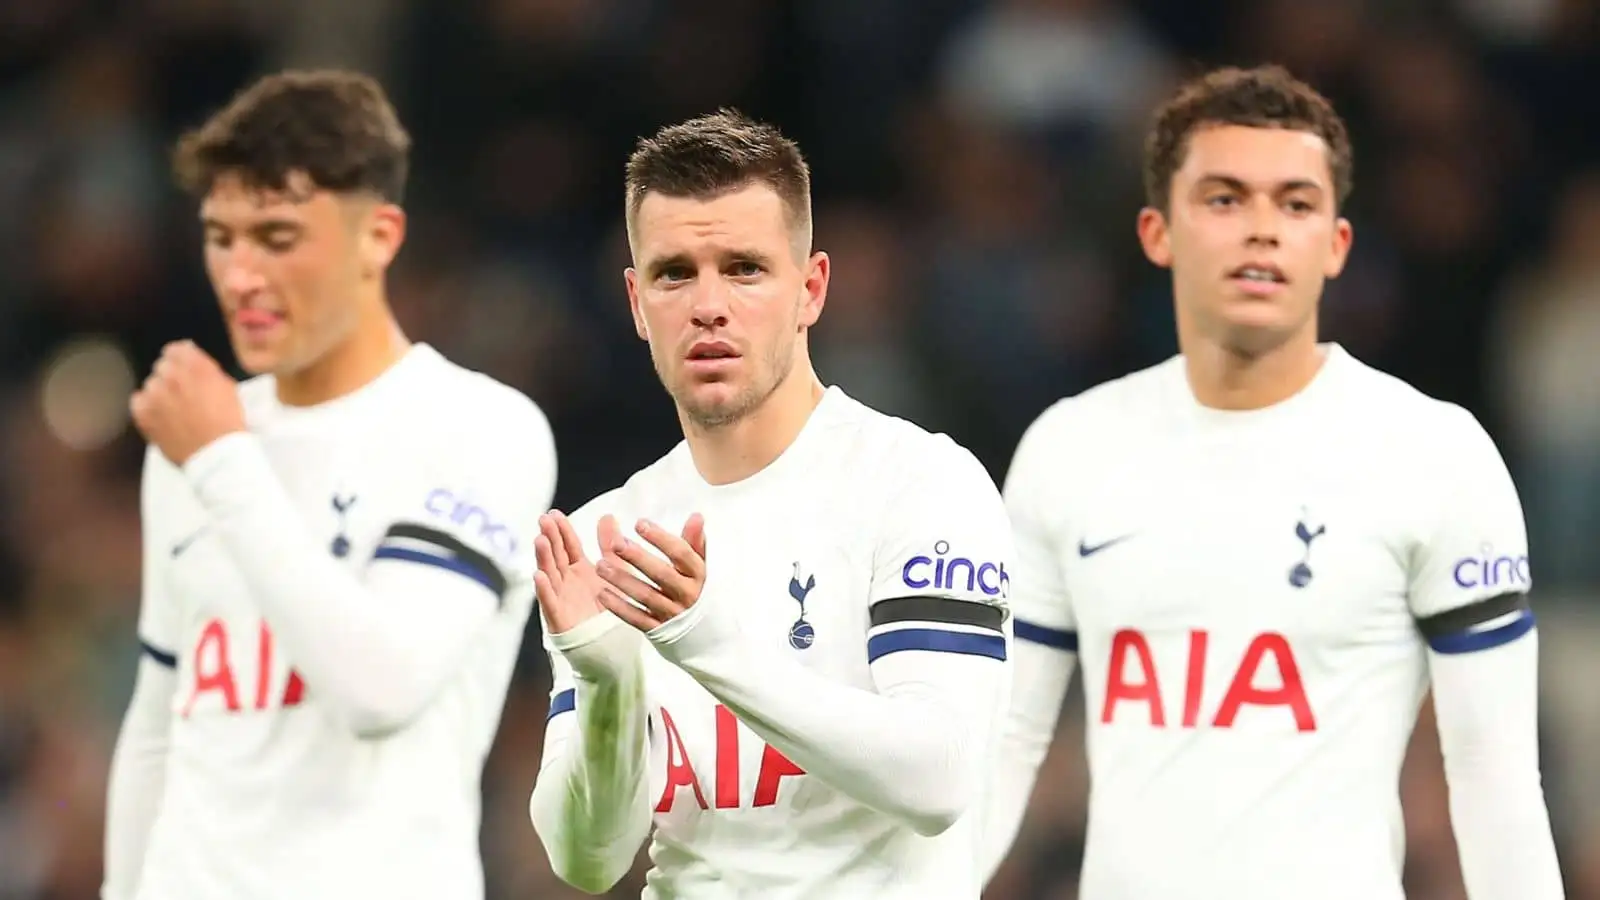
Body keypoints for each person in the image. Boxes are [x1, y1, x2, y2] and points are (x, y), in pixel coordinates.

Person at [983, 65, 1565, 900]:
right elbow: (1003, 744)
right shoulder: (1071, 448)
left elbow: (1496, 778)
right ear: (1158, 232)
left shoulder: (1435, 454)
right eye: (1225, 199)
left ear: (1336, 244)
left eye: (1295, 204)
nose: (1263, 230)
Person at [525, 109, 1013, 899]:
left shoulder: (918, 483)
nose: (707, 304)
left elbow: (939, 779)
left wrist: (703, 638)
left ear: (811, 288)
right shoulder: (608, 533)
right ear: (636, 301)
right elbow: (588, 859)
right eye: (674, 272)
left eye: (745, 268)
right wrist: (609, 680)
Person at [102, 70, 557, 900]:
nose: (239, 275)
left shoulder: (479, 428)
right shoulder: (196, 437)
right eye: (220, 235)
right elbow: (158, 727)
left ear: (379, 237)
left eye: (276, 238)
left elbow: (381, 688)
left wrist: (221, 463)